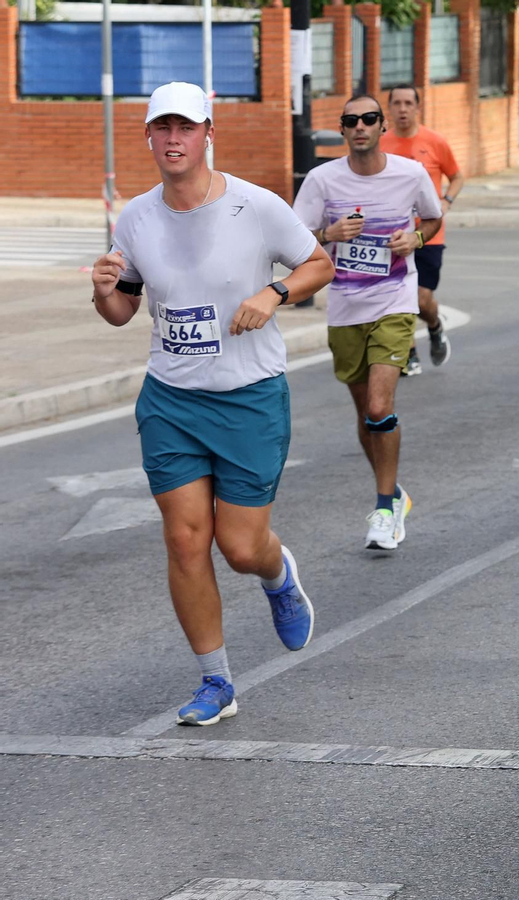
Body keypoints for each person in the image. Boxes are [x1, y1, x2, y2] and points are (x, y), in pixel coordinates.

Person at [91, 82, 333, 725]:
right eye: (162, 128)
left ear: (207, 135)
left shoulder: (255, 206)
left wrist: (276, 293)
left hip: (249, 397)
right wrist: (103, 290)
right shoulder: (137, 217)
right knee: (183, 539)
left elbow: (319, 263)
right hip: (171, 399)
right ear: (149, 137)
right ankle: (216, 679)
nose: (173, 139)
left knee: (239, 546)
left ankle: (277, 574)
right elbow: (122, 312)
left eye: (186, 128)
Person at [294, 93, 443, 551]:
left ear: (382, 127)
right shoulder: (322, 180)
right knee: (366, 415)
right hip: (344, 308)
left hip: (394, 301)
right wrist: (328, 234)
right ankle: (393, 491)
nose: (360, 126)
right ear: (342, 129)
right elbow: (293, 235)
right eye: (351, 120)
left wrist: (414, 238)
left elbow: (434, 219)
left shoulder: (410, 174)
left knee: (380, 406)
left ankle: (383, 508)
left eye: (369, 119)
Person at [379, 83, 463, 377]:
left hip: (429, 234)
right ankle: (408, 352)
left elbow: (456, 176)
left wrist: (446, 202)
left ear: (418, 107)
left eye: (408, 103)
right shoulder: (381, 144)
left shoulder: (435, 141)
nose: (402, 109)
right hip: (393, 236)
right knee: (398, 295)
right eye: (396, 104)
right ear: (389, 109)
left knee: (421, 299)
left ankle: (435, 324)